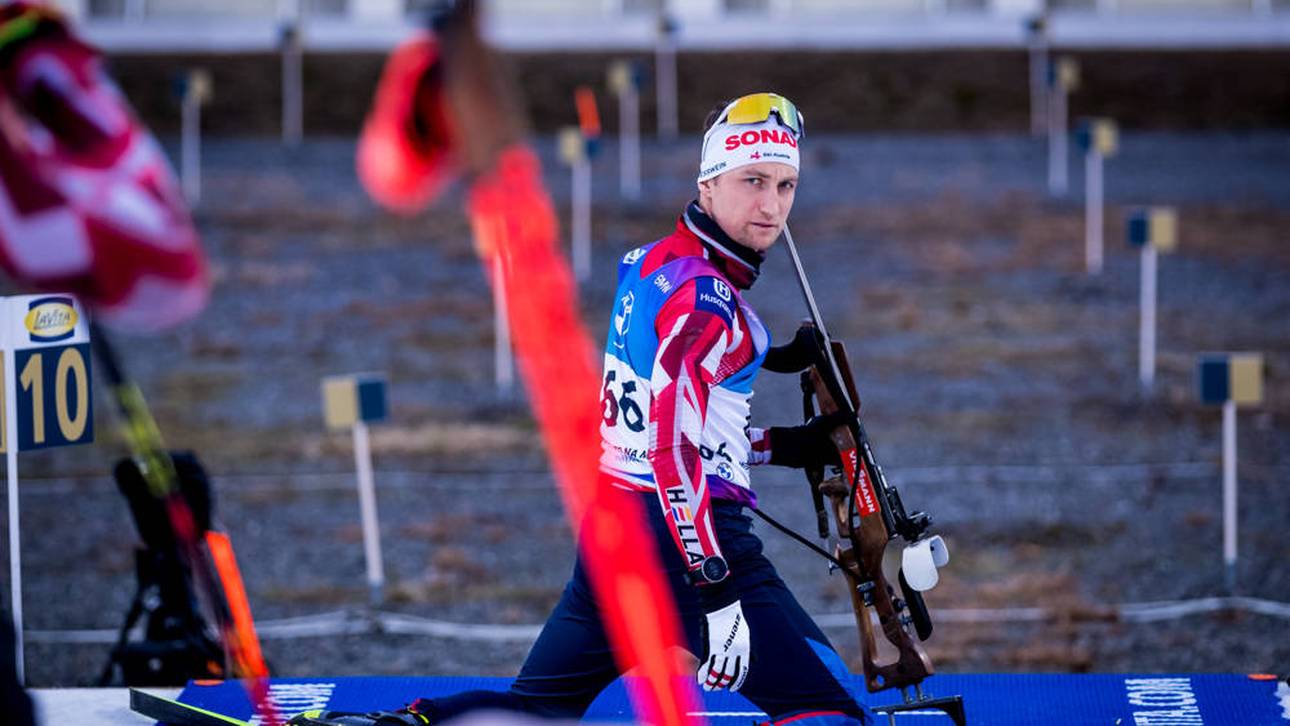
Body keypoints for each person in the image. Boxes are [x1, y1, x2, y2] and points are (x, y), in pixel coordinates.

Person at [291, 92, 873, 726]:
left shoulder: (654, 264)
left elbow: (673, 419)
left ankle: (401, 724)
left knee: (537, 709)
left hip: (615, 523)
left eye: (786, 186)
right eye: (752, 181)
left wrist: (785, 445)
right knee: (829, 711)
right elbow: (673, 448)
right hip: (690, 542)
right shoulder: (708, 302)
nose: (771, 206)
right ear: (708, 185)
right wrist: (717, 588)